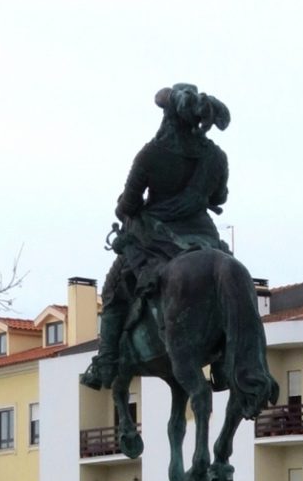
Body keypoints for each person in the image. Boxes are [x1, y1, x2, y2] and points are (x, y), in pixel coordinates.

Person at [81, 83, 232, 391]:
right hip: (206, 237)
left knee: (112, 289)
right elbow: (220, 195)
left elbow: (129, 205)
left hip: (158, 239)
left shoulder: (151, 154)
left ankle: (106, 361)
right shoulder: (216, 156)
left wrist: (125, 202)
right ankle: (224, 359)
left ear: (168, 117)